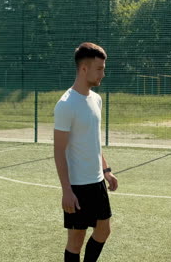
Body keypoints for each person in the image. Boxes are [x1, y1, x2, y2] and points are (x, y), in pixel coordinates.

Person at [54, 42, 118, 262]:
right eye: (99, 69)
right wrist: (66, 191)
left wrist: (106, 170)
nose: (103, 73)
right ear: (84, 69)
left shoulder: (96, 99)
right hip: (77, 186)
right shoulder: (66, 105)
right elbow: (59, 151)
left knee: (104, 230)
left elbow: (94, 141)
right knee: (76, 241)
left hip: (97, 180)